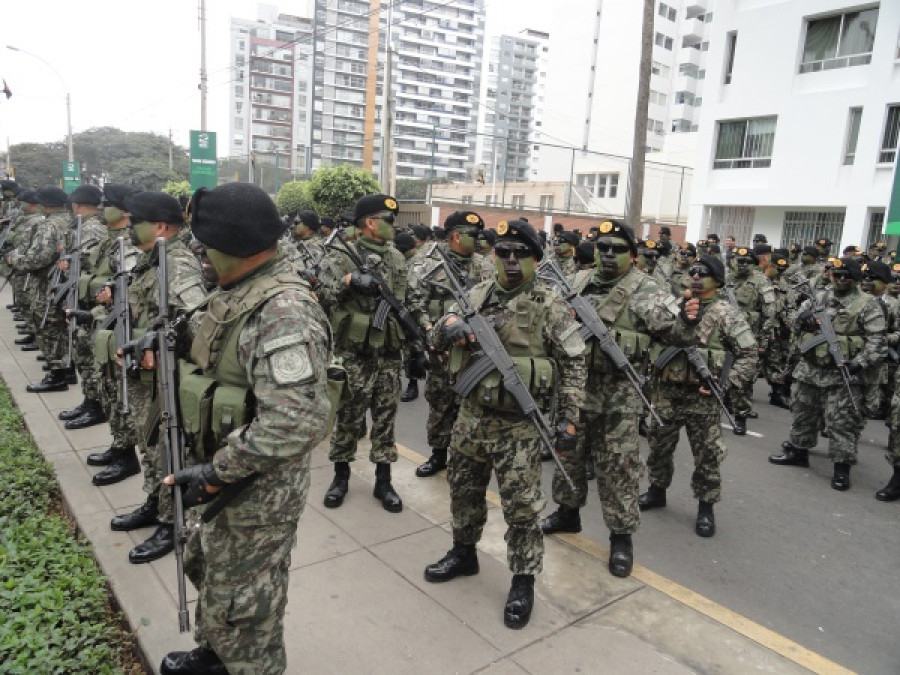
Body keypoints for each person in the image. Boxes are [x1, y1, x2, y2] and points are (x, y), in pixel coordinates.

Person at [158, 182, 332, 674]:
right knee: (211, 570)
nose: (199, 254)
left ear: (231, 245)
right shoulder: (238, 291)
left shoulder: (283, 311)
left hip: (256, 489)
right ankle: (215, 654)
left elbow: (295, 421)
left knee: (246, 602)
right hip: (230, 478)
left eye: (204, 244)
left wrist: (216, 470)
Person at [423, 219, 586, 629]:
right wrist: (447, 326)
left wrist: (568, 423)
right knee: (464, 491)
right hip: (471, 419)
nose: (511, 260)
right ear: (494, 256)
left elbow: (574, 366)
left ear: (536, 258)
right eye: (504, 252)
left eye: (521, 254)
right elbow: (432, 339)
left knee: (522, 509)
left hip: (519, 429)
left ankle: (523, 578)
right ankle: (464, 553)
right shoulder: (474, 295)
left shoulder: (550, 305)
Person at [540, 219, 683, 577]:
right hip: (576, 387)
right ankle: (567, 512)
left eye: (617, 249)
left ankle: (621, 537)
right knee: (569, 454)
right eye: (602, 247)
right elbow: (547, 322)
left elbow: (677, 332)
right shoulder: (576, 282)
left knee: (619, 466)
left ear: (633, 256)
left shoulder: (647, 290)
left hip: (620, 395)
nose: (607, 254)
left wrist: (690, 322)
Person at [112, 191, 207, 564]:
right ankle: (155, 502)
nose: (130, 226)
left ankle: (171, 522)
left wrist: (161, 339)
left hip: (165, 375)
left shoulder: (177, 262)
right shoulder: (151, 260)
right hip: (144, 373)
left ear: (162, 226)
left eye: (137, 221)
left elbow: (196, 319)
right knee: (149, 446)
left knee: (167, 449)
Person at [641, 255, 757, 537]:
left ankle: (706, 507)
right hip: (668, 391)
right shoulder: (673, 306)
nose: (694, 276)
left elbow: (748, 354)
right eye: (692, 271)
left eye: (702, 273)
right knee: (659, 445)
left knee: (706, 455)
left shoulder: (726, 314)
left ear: (717, 280)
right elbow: (652, 332)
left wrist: (726, 383)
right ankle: (657, 490)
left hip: (701, 397)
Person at [318, 194, 407, 513]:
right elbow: (320, 295)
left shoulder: (396, 258)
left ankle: (384, 481)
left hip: (387, 353)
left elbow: (403, 301)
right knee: (349, 418)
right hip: (353, 353)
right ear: (371, 223)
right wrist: (348, 280)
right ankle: (340, 477)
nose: (394, 227)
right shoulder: (341, 254)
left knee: (385, 419)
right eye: (389, 220)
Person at [769, 257, 886, 490]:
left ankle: (842, 467)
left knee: (842, 422)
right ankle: (798, 452)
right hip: (810, 370)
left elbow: (877, 342)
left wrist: (859, 364)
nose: (841, 279)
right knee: (803, 414)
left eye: (847, 276)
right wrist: (802, 319)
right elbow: (793, 320)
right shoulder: (819, 297)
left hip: (841, 374)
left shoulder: (867, 304)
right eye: (838, 274)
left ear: (856, 279)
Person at [407, 211, 487, 477]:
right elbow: (415, 301)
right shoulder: (428, 261)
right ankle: (439, 454)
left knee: (471, 407)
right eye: (473, 235)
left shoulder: (483, 266)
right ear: (456, 235)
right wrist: (432, 337)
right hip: (440, 349)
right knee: (440, 403)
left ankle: (465, 459)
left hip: (473, 352)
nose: (479, 240)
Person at [57, 184, 109, 429]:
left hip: (91, 302)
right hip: (83, 298)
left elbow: (91, 265)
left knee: (90, 358)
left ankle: (95, 405)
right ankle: (90, 401)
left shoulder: (91, 229)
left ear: (76, 206)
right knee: (83, 355)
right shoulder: (84, 227)